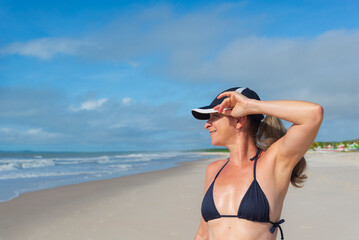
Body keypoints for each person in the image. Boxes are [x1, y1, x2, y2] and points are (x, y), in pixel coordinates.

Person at [192, 87, 323, 240]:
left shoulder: (273, 162)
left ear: (239, 119)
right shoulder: (214, 170)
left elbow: (313, 114)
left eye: (214, 116)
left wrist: (250, 105)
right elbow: (203, 234)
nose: (207, 124)